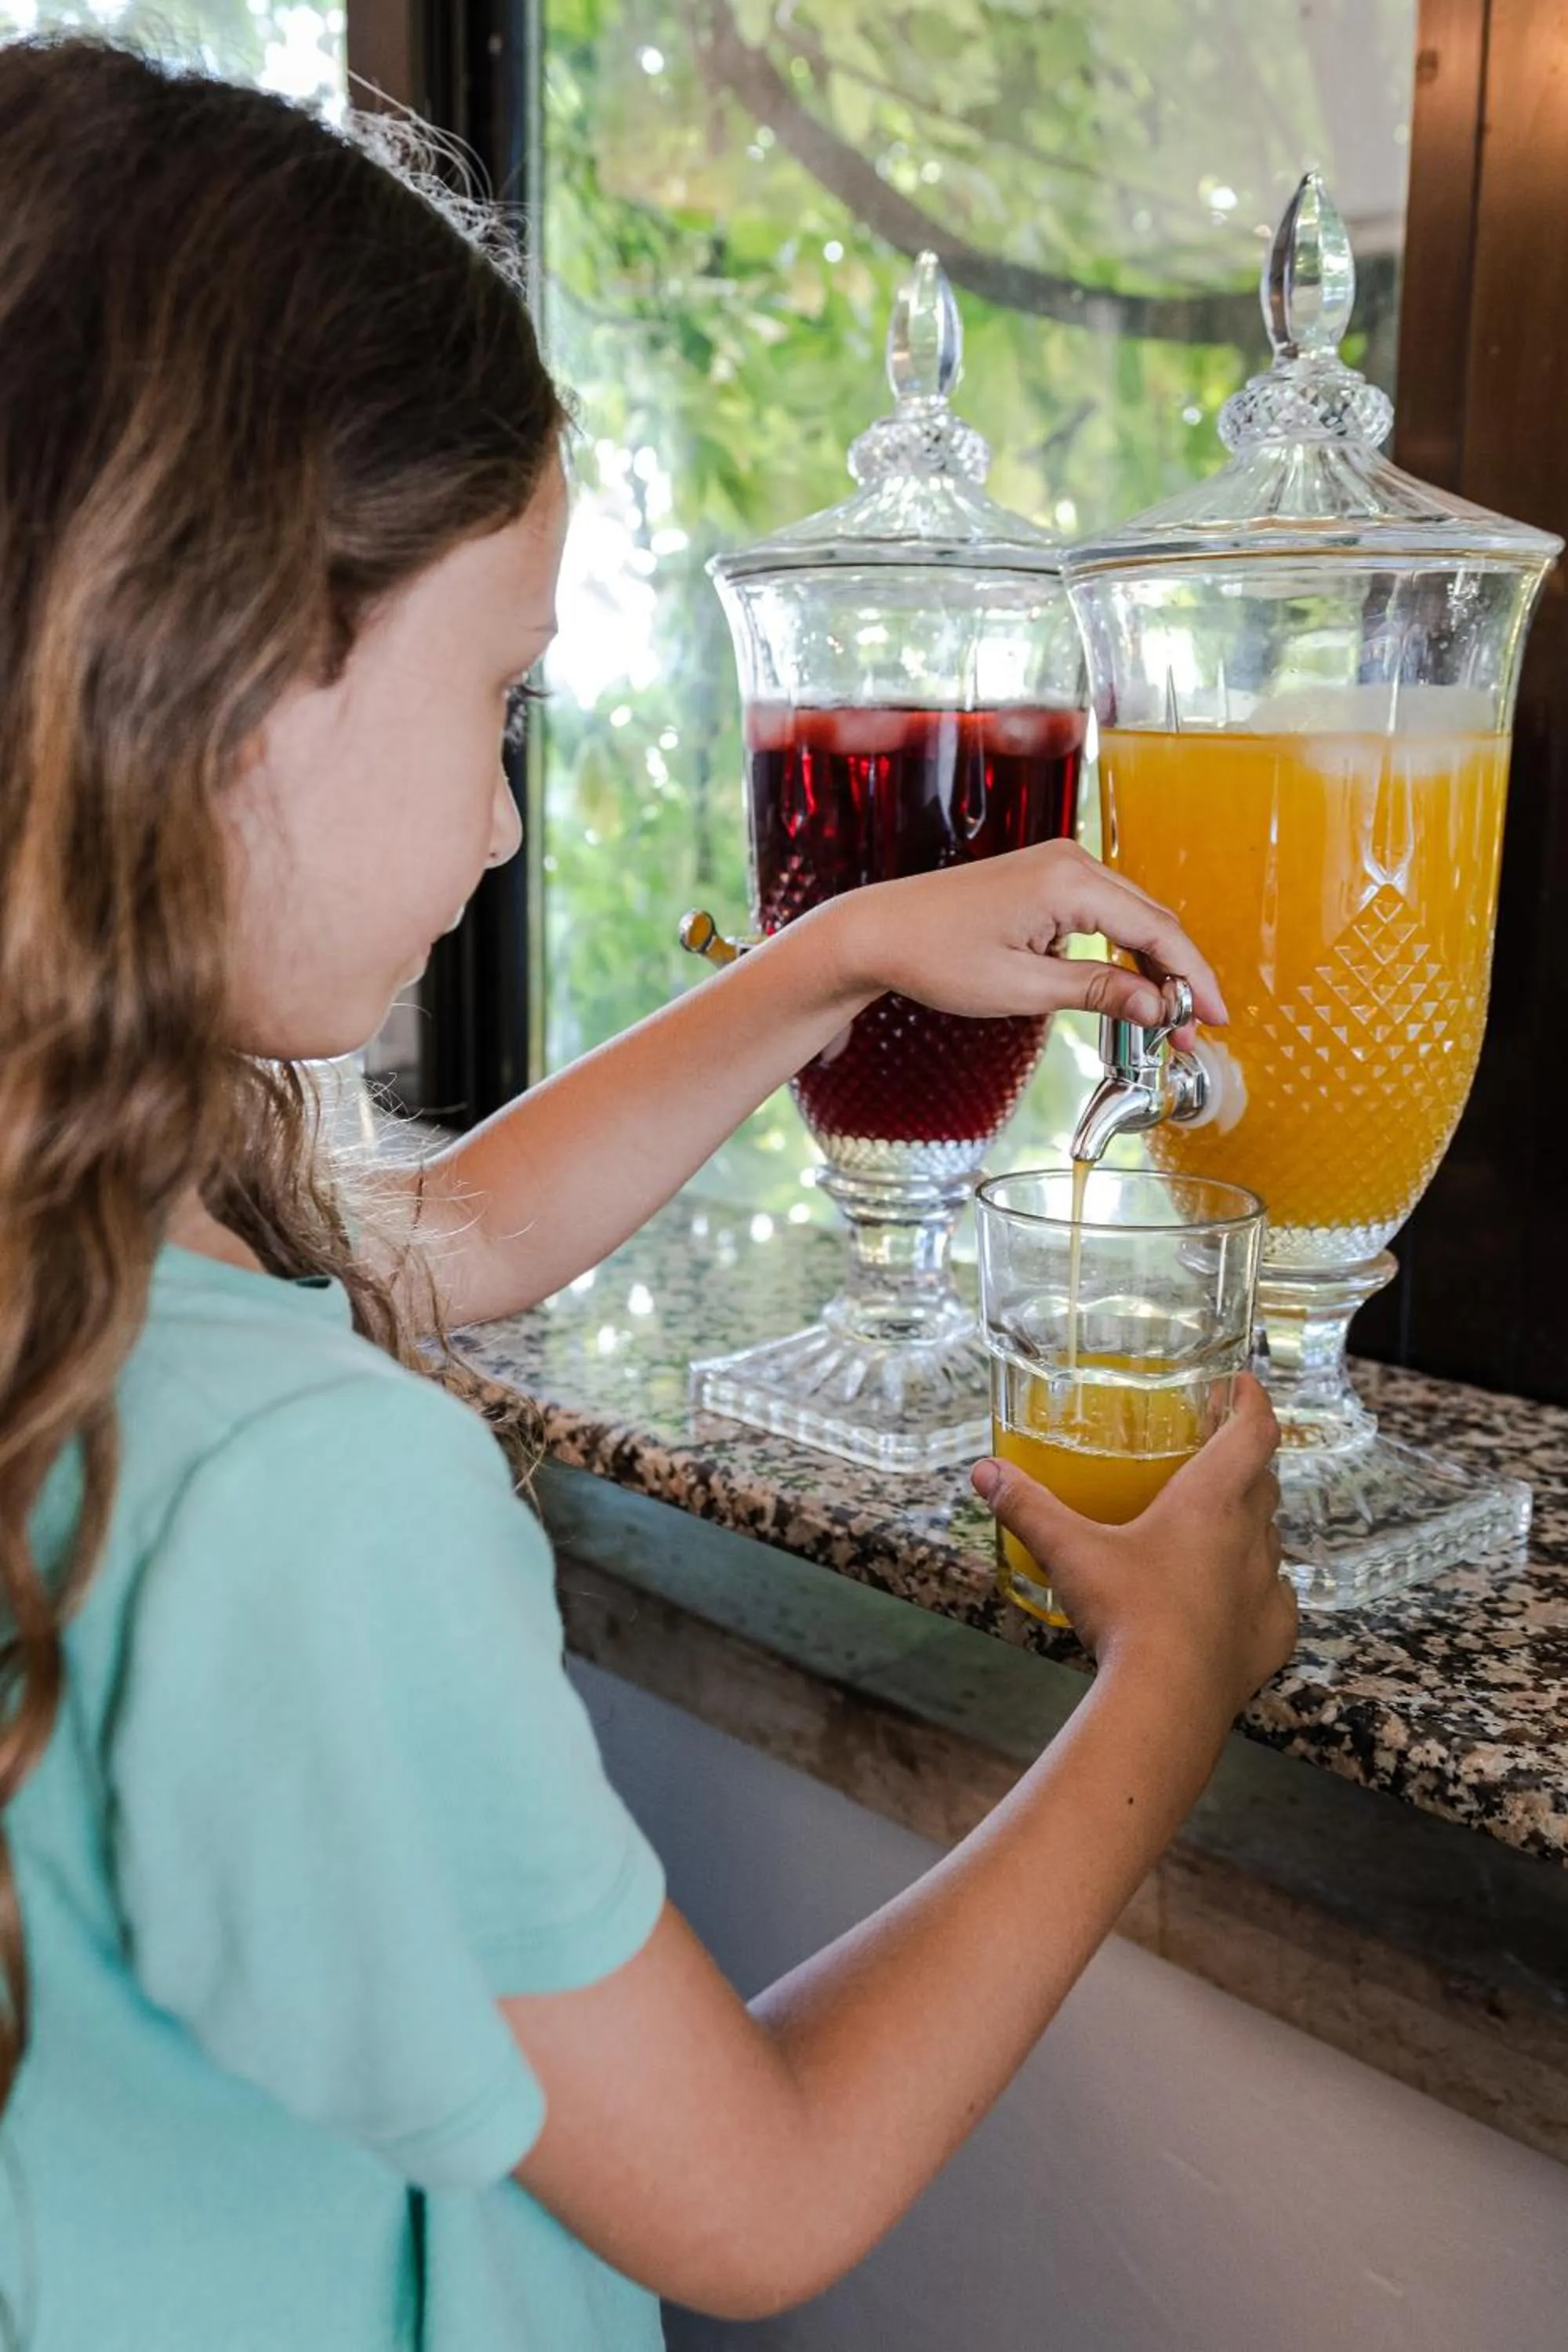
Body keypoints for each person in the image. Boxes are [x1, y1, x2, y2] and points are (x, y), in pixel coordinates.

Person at [0, 34, 1295, 2352]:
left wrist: (841, 958)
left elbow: (445, 1240)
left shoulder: (76, 1262)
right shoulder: (304, 1512)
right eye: (498, 700)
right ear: (215, 684)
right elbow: (761, 2192)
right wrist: (1172, 1685)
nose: (508, 827)